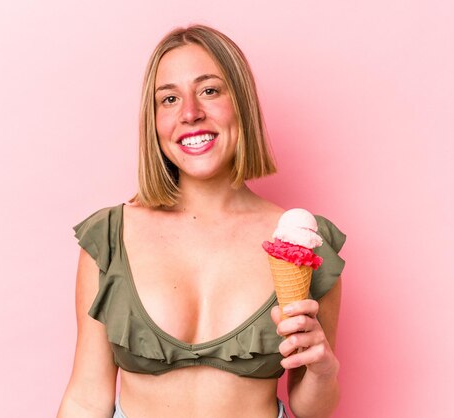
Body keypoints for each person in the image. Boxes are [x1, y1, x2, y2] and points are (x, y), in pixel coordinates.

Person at [57, 24, 346, 418]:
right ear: (153, 120)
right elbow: (87, 398)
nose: (190, 113)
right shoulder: (109, 238)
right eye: (169, 99)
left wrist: (323, 369)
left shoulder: (302, 243)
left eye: (209, 90)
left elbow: (311, 407)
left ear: (240, 102)